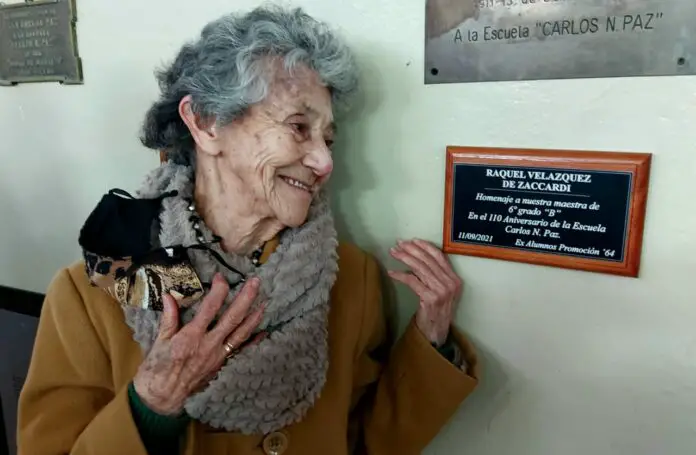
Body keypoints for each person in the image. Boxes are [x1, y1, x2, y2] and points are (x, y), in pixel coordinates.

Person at [17, 5, 478, 455]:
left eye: (328, 139)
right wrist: (152, 404)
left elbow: (366, 441)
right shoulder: (94, 290)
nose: (324, 162)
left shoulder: (351, 279)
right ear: (206, 123)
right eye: (299, 127)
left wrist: (431, 339)